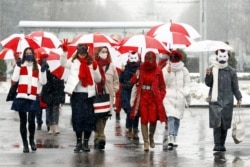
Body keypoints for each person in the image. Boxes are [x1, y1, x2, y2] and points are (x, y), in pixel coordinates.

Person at [63, 43, 102, 153]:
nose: (82, 55)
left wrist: (95, 69)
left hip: (89, 95)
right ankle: (78, 142)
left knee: (88, 119)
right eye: (80, 53)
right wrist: (64, 52)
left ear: (87, 52)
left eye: (84, 53)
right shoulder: (73, 61)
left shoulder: (91, 62)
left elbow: (98, 79)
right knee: (77, 119)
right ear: (77, 52)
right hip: (76, 94)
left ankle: (86, 142)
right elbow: (63, 63)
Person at [10, 47, 48, 153]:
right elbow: (14, 79)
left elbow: (44, 82)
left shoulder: (38, 67)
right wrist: (17, 67)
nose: (28, 55)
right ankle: (25, 143)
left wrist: (44, 71)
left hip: (33, 96)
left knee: (32, 121)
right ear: (24, 55)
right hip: (21, 96)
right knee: (23, 121)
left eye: (30, 53)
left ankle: (32, 141)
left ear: (33, 54)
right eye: (26, 53)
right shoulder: (21, 66)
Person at [205, 49, 242, 152]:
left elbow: (235, 87)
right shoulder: (212, 69)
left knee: (224, 124)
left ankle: (222, 143)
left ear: (228, 57)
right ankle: (217, 144)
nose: (221, 58)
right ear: (216, 56)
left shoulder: (231, 71)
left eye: (224, 56)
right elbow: (208, 84)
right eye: (219, 56)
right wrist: (208, 75)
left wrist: (239, 97)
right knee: (216, 124)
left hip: (227, 101)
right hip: (215, 100)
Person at [130, 51, 166, 152]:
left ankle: (151, 137)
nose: (149, 61)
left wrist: (161, 96)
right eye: (147, 59)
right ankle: (146, 142)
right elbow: (132, 81)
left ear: (154, 59)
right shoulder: (140, 69)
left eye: (151, 59)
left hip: (154, 98)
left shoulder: (158, 70)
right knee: (144, 119)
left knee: (153, 119)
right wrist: (136, 76)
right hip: (143, 97)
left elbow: (163, 87)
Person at [162, 50, 191, 150]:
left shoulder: (184, 70)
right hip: (168, 96)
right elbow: (163, 83)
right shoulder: (166, 69)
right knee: (171, 117)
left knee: (177, 118)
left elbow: (187, 83)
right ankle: (170, 136)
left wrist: (185, 92)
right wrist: (168, 74)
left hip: (180, 96)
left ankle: (175, 136)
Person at [94, 46, 119, 150]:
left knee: (104, 117)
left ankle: (98, 138)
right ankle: (101, 137)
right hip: (96, 95)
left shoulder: (112, 66)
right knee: (98, 117)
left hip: (108, 96)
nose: (104, 53)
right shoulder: (94, 64)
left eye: (106, 52)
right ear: (98, 52)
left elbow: (116, 81)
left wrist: (113, 91)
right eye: (102, 51)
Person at [39, 53, 65, 135]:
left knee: (55, 108)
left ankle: (55, 125)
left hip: (57, 90)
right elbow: (43, 80)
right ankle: (50, 125)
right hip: (48, 90)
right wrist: (44, 71)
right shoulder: (45, 67)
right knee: (49, 108)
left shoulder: (59, 67)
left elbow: (62, 80)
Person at [119, 52, 141, 141]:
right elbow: (121, 80)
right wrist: (122, 71)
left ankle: (135, 129)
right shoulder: (125, 66)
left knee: (135, 110)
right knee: (128, 109)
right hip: (126, 91)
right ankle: (129, 127)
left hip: (135, 91)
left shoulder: (140, 67)